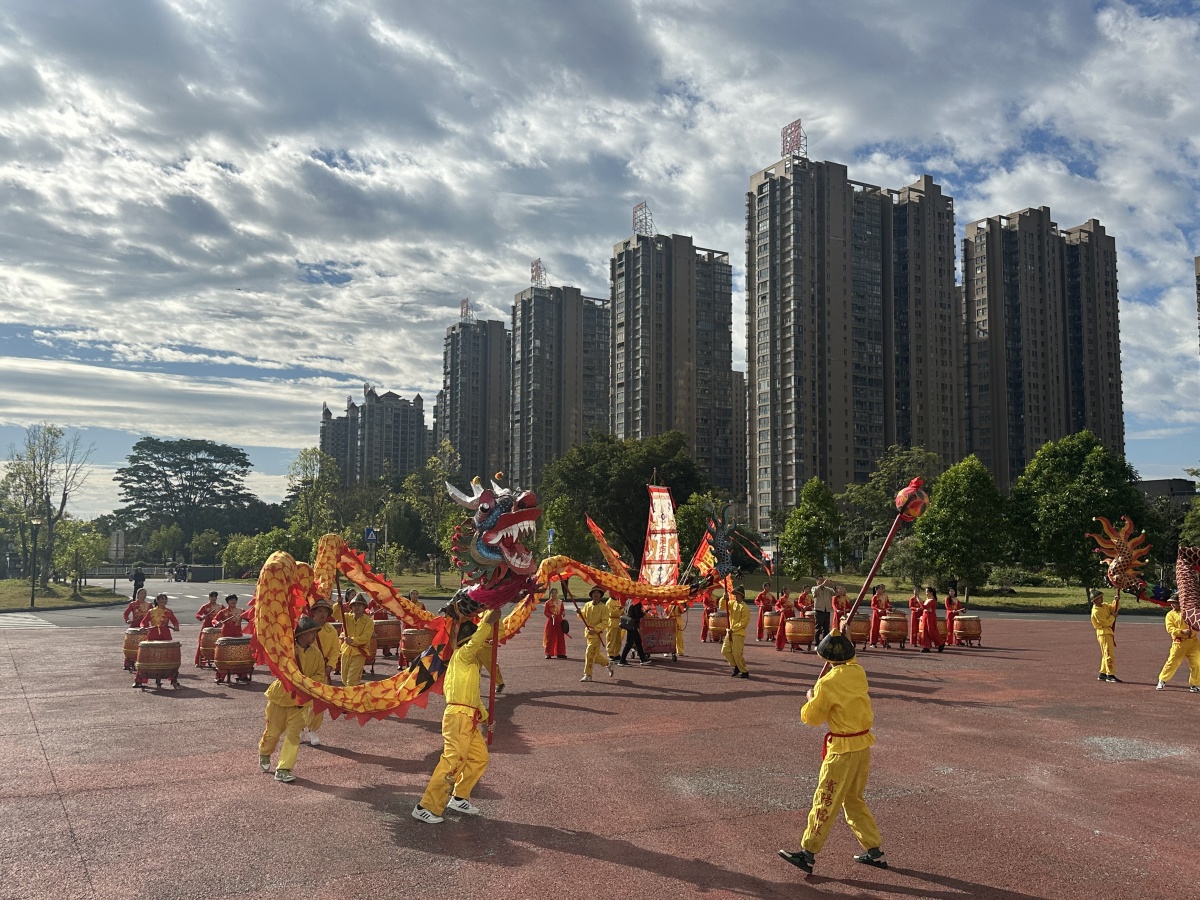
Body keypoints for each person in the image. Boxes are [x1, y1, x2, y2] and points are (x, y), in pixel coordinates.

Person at [778, 630, 886, 875]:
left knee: (825, 799)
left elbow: (811, 718)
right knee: (853, 799)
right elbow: (850, 662)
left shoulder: (827, 682)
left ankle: (808, 853)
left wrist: (810, 697)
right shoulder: (857, 672)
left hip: (842, 750)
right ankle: (874, 849)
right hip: (862, 746)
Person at [412, 609, 502, 824]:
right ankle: (426, 806)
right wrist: (488, 622)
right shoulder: (462, 656)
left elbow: (474, 698)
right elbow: (475, 643)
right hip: (458, 717)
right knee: (453, 761)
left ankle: (459, 797)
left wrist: (486, 717)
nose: (483, 645)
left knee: (480, 758)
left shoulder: (471, 665)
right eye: (478, 642)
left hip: (468, 717)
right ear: (468, 642)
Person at [258, 616, 326, 783]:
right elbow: (277, 668)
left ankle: (283, 768)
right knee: (273, 733)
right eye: (312, 633)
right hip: (279, 697)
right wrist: (290, 659)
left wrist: (307, 683)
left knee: (293, 735)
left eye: (316, 633)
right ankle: (265, 752)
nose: (314, 636)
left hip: (301, 701)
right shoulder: (286, 649)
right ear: (302, 634)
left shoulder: (316, 653)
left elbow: (320, 675)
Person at [302, 599, 340, 747]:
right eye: (319, 611)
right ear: (313, 613)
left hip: (322, 669)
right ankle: (299, 727)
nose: (323, 614)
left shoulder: (331, 631)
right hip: (305, 666)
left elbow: (335, 651)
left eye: (325, 611)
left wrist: (330, 666)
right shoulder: (305, 626)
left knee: (320, 701)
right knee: (302, 700)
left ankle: (312, 729)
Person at [1156, 593, 1200, 692]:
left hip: (1193, 642)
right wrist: (1181, 632)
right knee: (1172, 663)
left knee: (1197, 663)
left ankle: (1195, 684)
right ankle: (1162, 680)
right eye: (1171, 603)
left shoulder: (1190, 612)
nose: (1172, 605)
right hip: (1179, 643)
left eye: (1174, 603)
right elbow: (1170, 628)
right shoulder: (1170, 615)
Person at [578, 587, 616, 682]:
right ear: (591, 595)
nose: (596, 594)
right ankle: (608, 663)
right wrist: (579, 613)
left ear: (600, 595)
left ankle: (588, 674)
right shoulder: (587, 605)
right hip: (589, 633)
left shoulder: (603, 607)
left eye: (598, 593)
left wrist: (595, 629)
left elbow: (605, 622)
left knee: (589, 653)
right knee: (595, 654)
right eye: (594, 593)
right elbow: (583, 616)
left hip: (596, 634)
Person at [339, 594, 375, 687]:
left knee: (351, 681)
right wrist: (338, 604)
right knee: (344, 679)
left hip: (359, 652)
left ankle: (351, 700)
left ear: (364, 607)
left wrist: (352, 640)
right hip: (346, 651)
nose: (356, 607)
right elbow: (336, 613)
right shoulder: (347, 617)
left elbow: (365, 637)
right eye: (354, 605)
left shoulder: (368, 621)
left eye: (359, 605)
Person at [1090, 589, 1121, 682]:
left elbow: (1113, 608)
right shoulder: (1096, 611)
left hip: (1108, 632)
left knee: (1105, 654)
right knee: (1108, 654)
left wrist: (1116, 600)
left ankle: (1103, 673)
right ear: (1095, 600)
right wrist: (1113, 617)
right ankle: (1110, 674)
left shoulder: (1104, 606)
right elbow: (1105, 623)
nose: (1101, 599)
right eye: (1099, 598)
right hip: (1103, 633)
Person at [722, 585, 751, 678]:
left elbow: (744, 623)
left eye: (737, 594)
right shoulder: (732, 603)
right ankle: (736, 666)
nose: (735, 596)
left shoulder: (744, 607)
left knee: (737, 653)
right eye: (735, 594)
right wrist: (724, 598)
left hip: (738, 633)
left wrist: (733, 629)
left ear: (742, 595)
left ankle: (744, 671)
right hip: (730, 632)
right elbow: (722, 607)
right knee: (725, 651)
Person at [193, 591, 223, 666]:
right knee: (202, 643)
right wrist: (202, 617)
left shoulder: (220, 606)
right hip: (207, 625)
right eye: (212, 597)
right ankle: (199, 661)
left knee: (217, 643)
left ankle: (217, 660)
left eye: (215, 597)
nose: (213, 598)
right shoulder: (205, 606)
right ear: (209, 597)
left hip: (216, 626)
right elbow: (198, 614)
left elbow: (226, 612)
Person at [618, 600, 649, 666]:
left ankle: (642, 658)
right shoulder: (637, 602)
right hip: (633, 624)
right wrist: (644, 613)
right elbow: (637, 614)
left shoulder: (629, 600)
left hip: (629, 622)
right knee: (629, 643)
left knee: (638, 641)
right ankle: (622, 660)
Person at [543, 587, 567, 659]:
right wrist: (551, 616)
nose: (554, 594)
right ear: (550, 594)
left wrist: (563, 613)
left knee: (560, 637)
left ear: (557, 593)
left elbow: (562, 610)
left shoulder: (560, 602)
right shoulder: (547, 603)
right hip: (551, 621)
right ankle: (548, 653)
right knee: (550, 637)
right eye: (552, 593)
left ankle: (560, 653)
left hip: (559, 620)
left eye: (555, 593)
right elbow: (545, 612)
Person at [919, 587, 945, 653]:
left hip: (931, 617)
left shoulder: (932, 600)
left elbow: (925, 607)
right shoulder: (927, 599)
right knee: (925, 631)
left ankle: (940, 643)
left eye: (927, 592)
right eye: (926, 592)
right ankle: (926, 647)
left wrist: (920, 601)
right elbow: (924, 608)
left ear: (931, 592)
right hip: (925, 615)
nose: (926, 593)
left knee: (931, 631)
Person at [812, 576, 835, 644]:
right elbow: (814, 593)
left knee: (826, 628)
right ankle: (817, 642)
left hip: (827, 610)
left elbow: (835, 593)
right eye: (820, 580)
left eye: (823, 580)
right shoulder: (814, 588)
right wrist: (822, 584)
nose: (822, 581)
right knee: (818, 627)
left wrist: (833, 585)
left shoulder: (827, 589)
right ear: (817, 581)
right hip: (819, 610)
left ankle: (825, 643)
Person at [605, 593, 625, 661]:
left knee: (618, 639)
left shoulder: (618, 601)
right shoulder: (609, 602)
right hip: (612, 622)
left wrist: (621, 610)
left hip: (618, 622)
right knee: (611, 639)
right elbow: (611, 613)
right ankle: (610, 653)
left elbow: (622, 612)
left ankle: (616, 653)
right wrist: (619, 610)